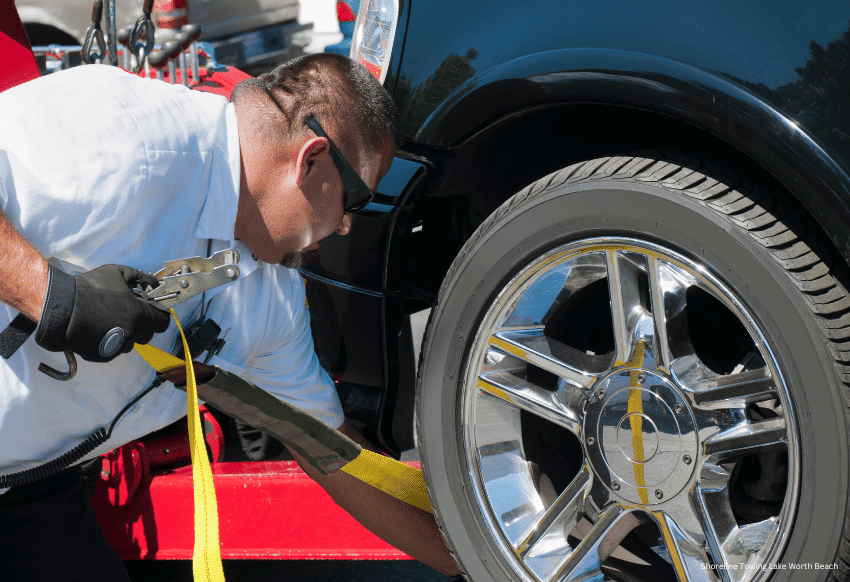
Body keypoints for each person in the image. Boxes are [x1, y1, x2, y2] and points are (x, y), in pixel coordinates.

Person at [0, 53, 461, 581]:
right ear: (310, 160)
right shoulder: (124, 132)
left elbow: (330, 452)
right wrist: (51, 296)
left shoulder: (269, 296)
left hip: (26, 486)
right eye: (352, 200)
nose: (344, 228)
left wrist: (492, 563)